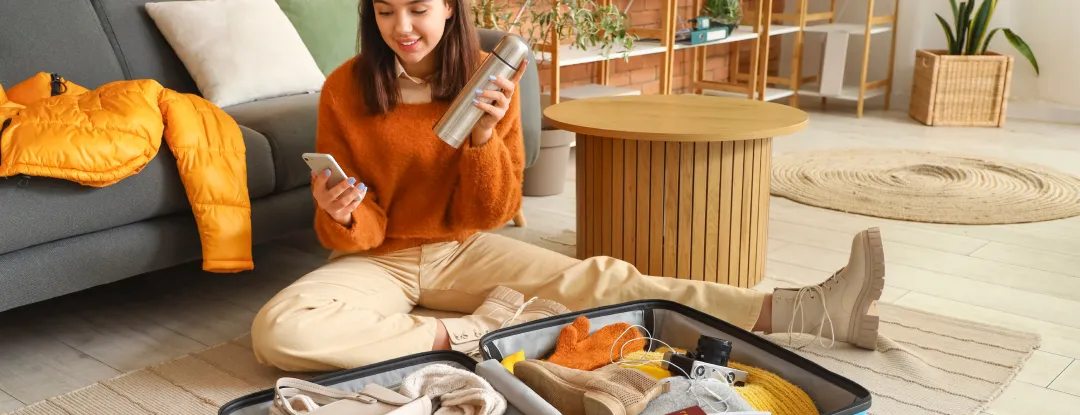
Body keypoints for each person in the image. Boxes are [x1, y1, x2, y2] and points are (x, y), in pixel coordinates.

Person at [249, 0, 887, 373]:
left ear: (450, 6)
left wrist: (481, 139)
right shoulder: (345, 87)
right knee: (279, 330)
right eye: (385, 10)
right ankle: (466, 335)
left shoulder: (488, 75)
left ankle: (807, 310)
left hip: (466, 246)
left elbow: (495, 210)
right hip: (377, 260)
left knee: (606, 280)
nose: (403, 27)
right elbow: (360, 226)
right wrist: (340, 211)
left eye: (419, 7)